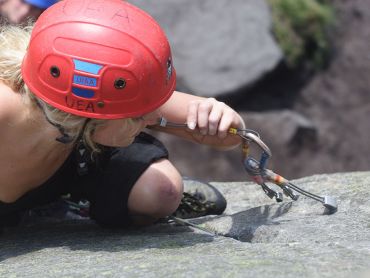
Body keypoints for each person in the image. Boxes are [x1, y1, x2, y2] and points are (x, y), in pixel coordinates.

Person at [0, 0, 245, 228]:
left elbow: (231, 136)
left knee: (160, 191)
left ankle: (63, 201)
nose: (152, 120)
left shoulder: (88, 90)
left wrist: (220, 118)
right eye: (138, 116)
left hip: (76, 156)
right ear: (86, 114)